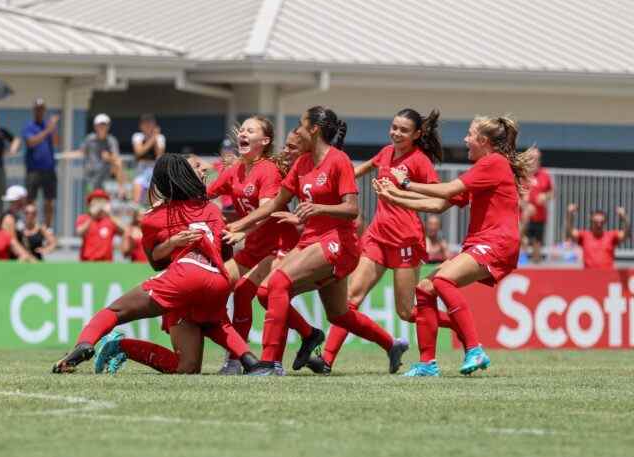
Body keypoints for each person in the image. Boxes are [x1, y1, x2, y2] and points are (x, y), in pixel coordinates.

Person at [226, 106, 408, 376]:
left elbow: (352, 209)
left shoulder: (338, 161)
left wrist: (320, 209)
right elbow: (276, 202)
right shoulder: (302, 163)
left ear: (314, 130)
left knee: (276, 284)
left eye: (301, 125)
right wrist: (240, 225)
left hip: (339, 244)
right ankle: (391, 344)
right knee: (336, 314)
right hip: (312, 242)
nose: (297, 130)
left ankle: (270, 363)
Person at [52, 154, 260, 375]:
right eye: (197, 166)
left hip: (183, 278)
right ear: (184, 175)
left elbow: (156, 263)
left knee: (115, 311)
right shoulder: (212, 211)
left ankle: (86, 343)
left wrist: (170, 244)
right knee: (192, 360)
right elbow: (224, 252)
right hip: (217, 279)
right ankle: (252, 362)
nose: (205, 170)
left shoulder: (155, 217)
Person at [375, 115, 530, 377]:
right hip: (485, 242)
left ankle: (474, 349)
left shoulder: (493, 163)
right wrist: (394, 196)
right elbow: (437, 205)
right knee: (425, 289)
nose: (465, 140)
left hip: (497, 242)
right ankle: (427, 364)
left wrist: (404, 184)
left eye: (469, 135)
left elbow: (447, 190)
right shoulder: (484, 168)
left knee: (443, 281)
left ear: (483, 140)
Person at [307, 108, 442, 375]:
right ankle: (326, 361)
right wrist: (333, 168)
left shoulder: (420, 161)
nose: (396, 133)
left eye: (404, 130)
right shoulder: (385, 153)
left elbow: (436, 199)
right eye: (394, 127)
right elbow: (353, 173)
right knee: (350, 300)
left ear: (417, 134)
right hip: (377, 237)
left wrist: (401, 193)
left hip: (405, 240)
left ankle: (459, 325)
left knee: (406, 312)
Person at [208, 117, 321, 376]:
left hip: (280, 244)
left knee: (260, 294)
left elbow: (266, 211)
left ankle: (255, 362)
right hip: (255, 245)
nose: (243, 133)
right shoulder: (234, 169)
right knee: (221, 286)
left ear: (265, 141)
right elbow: (206, 195)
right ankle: (307, 334)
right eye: (242, 130)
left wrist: (241, 230)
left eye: (251, 130)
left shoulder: (268, 170)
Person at [65, 113, 125, 194]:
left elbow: (116, 158)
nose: (102, 127)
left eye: (104, 125)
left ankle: (122, 190)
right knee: (93, 201)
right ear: (95, 126)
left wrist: (109, 157)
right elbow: (81, 152)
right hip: (91, 175)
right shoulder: (90, 139)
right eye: (100, 125)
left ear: (108, 126)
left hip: (105, 175)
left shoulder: (111, 140)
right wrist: (67, 155)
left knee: (118, 163)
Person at [22, 98, 59, 228]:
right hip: (33, 170)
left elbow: (55, 142)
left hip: (49, 169)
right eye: (37, 109)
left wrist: (53, 129)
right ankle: (30, 227)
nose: (40, 111)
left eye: (42, 109)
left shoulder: (48, 126)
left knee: (49, 201)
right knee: (31, 201)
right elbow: (30, 142)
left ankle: (47, 228)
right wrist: (47, 131)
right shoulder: (29, 126)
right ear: (34, 110)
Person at [565, 204, 630, 270]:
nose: (599, 225)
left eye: (601, 222)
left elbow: (625, 235)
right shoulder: (585, 236)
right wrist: (569, 215)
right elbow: (570, 232)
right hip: (589, 275)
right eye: (596, 222)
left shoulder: (611, 236)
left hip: (607, 275)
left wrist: (625, 218)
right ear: (592, 222)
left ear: (604, 223)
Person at [76, 189, 125, 262]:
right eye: (96, 201)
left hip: (106, 262)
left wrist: (109, 214)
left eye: (101, 201)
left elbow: (125, 230)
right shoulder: (84, 218)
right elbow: (79, 232)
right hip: (88, 262)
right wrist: (92, 216)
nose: (99, 204)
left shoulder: (110, 220)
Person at [523, 148, 553, 263]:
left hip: (539, 216)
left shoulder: (544, 174)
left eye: (537, 159)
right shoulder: (521, 174)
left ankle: (536, 265)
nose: (535, 161)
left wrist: (546, 196)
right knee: (521, 242)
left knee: (537, 245)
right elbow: (513, 195)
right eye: (532, 158)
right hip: (522, 217)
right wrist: (524, 205)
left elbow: (551, 192)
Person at [131, 114, 166, 205]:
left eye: (150, 123)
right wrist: (152, 138)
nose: (148, 126)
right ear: (141, 126)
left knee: (155, 199)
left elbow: (159, 155)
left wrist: (155, 139)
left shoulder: (160, 138)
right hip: (141, 169)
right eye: (145, 123)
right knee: (136, 197)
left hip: (154, 169)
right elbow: (139, 152)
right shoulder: (137, 136)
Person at [0, 185, 33, 262]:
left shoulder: (16, 217)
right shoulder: (8, 218)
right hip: (13, 262)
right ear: (19, 200)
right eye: (24, 199)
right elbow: (12, 242)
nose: (25, 201)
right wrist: (29, 258)